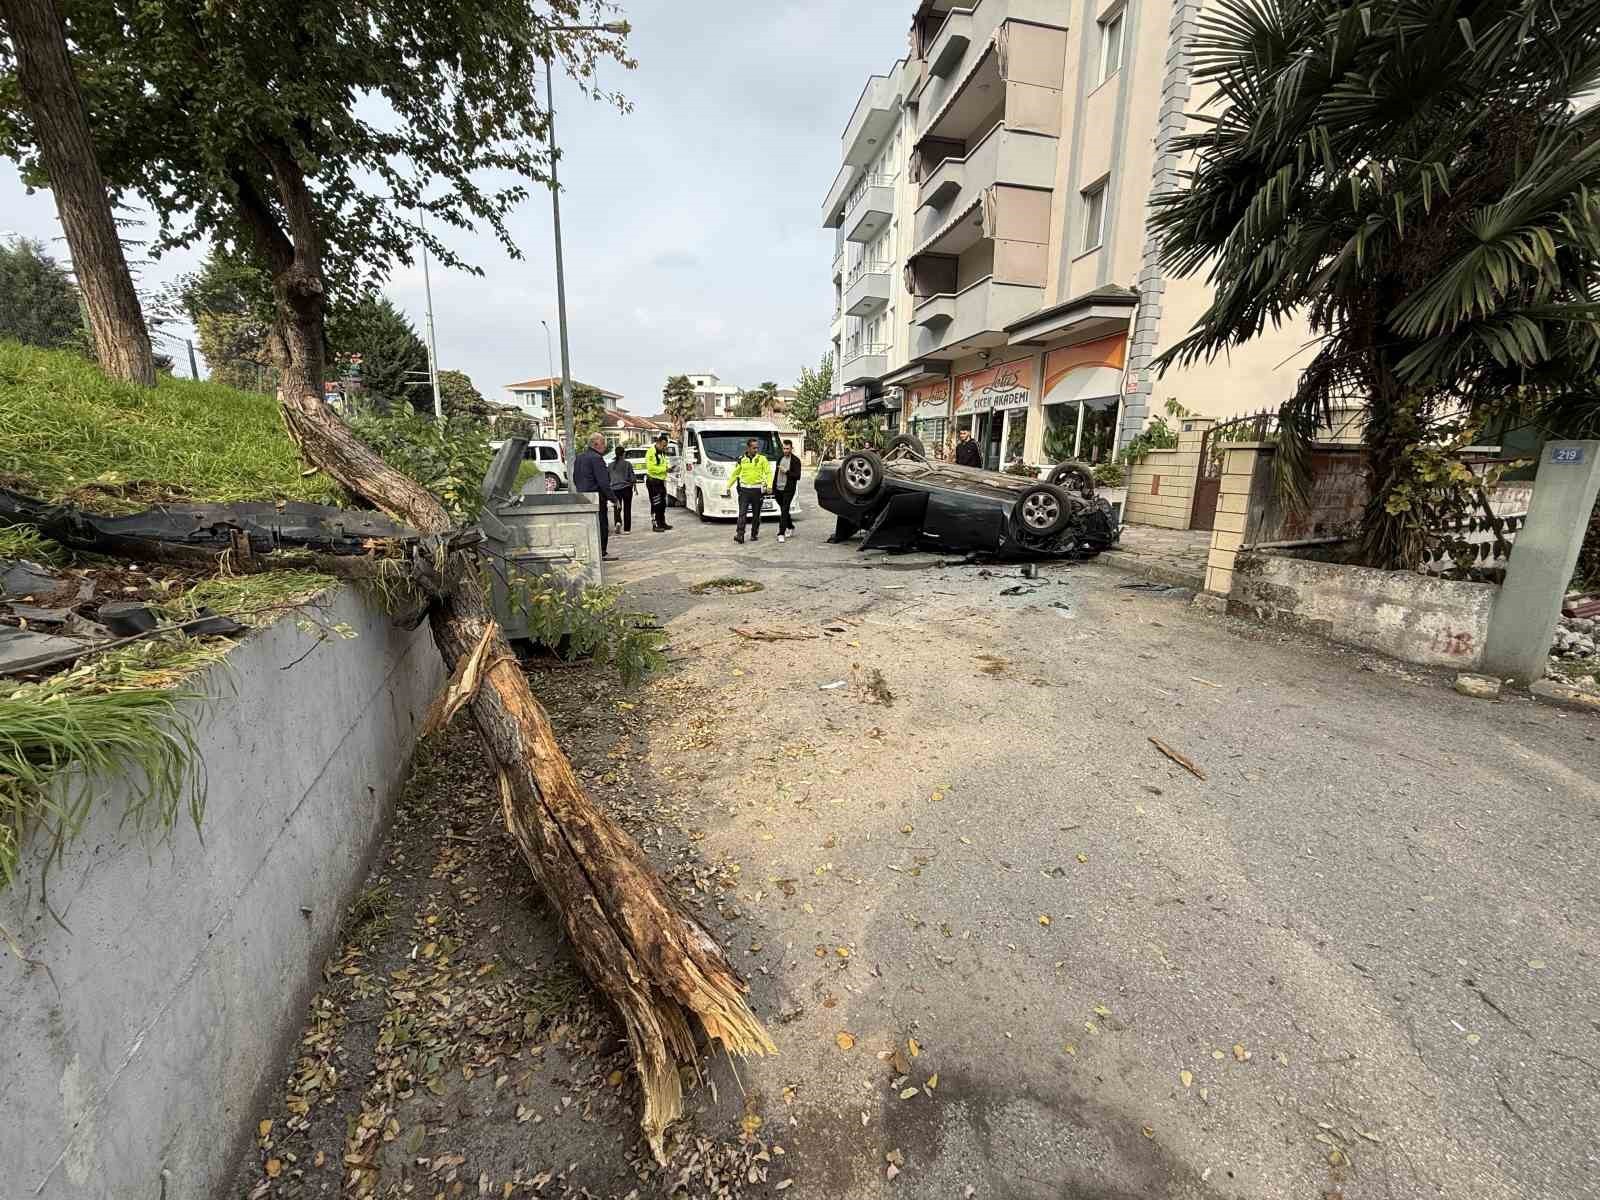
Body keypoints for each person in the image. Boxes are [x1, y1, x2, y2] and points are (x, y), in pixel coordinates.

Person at [572, 433, 619, 561]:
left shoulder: (580, 457)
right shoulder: (596, 458)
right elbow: (603, 482)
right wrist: (614, 499)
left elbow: (575, 477)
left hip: (583, 496)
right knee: (601, 525)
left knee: (588, 526)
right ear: (596, 444)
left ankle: (591, 552)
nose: (605, 446)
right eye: (603, 443)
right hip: (597, 496)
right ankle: (602, 552)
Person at [722, 437, 770, 544]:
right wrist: (728, 486)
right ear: (748, 448)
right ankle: (740, 535)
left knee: (756, 515)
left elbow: (768, 473)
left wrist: (769, 485)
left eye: (757, 448)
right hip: (744, 491)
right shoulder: (741, 460)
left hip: (757, 490)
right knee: (742, 514)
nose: (756, 450)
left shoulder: (762, 459)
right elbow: (735, 474)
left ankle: (754, 534)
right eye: (754, 448)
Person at [771, 438, 801, 543]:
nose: (785, 451)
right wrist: (772, 487)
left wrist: (787, 471)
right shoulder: (780, 458)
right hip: (778, 489)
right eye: (784, 448)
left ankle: (781, 533)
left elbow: (798, 476)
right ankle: (791, 526)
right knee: (784, 509)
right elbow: (776, 473)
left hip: (788, 489)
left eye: (787, 448)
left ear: (791, 448)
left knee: (784, 510)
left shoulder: (796, 460)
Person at [644, 432, 673, 532]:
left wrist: (668, 468)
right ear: (659, 443)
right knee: (655, 503)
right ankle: (655, 524)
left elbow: (663, 464)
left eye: (666, 446)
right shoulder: (651, 452)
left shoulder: (662, 452)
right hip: (653, 481)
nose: (664, 447)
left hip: (661, 481)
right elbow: (651, 468)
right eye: (663, 445)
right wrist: (665, 469)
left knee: (662, 504)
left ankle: (662, 522)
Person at [608, 444, 636, 535]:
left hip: (614, 489)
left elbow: (608, 478)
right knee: (627, 508)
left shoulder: (610, 465)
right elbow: (632, 478)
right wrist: (634, 484)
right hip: (626, 488)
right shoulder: (627, 464)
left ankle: (618, 522)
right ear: (623, 454)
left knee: (617, 507)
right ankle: (627, 529)